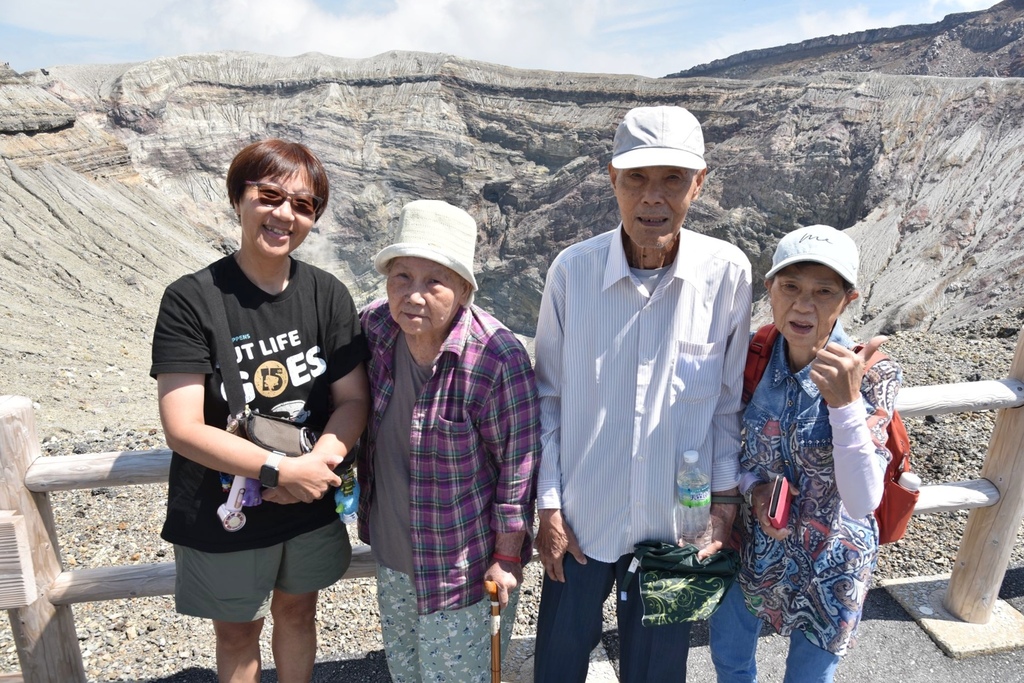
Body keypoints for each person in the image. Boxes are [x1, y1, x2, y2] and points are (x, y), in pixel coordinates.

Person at [532, 105, 753, 682]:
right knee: (557, 662)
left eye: (672, 179)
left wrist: (724, 509)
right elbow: (548, 399)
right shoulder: (571, 273)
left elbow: (727, 405)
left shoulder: (726, 274)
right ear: (612, 179)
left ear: (698, 185)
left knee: (657, 672)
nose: (653, 197)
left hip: (676, 523)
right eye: (637, 178)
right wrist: (549, 506)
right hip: (582, 517)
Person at [151, 139, 370, 683]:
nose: (284, 214)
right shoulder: (191, 300)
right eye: (269, 196)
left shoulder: (327, 295)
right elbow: (182, 426)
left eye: (303, 205)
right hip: (228, 506)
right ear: (239, 199)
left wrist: (317, 466)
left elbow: (353, 399)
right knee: (237, 632)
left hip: (307, 497)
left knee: (299, 613)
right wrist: (281, 470)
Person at [709, 224, 902, 683]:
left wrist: (845, 405)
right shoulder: (755, 354)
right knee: (730, 657)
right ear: (769, 288)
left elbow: (861, 501)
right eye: (791, 287)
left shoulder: (872, 373)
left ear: (847, 300)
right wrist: (754, 490)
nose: (803, 305)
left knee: (808, 677)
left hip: (832, 562)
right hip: (758, 549)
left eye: (823, 291)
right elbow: (728, 442)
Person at [357, 199, 541, 683]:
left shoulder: (497, 358)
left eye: (433, 281)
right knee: (407, 673)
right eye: (401, 277)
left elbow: (518, 469)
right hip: (396, 558)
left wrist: (506, 557)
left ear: (463, 289)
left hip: (462, 569)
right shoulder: (376, 328)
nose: (413, 296)